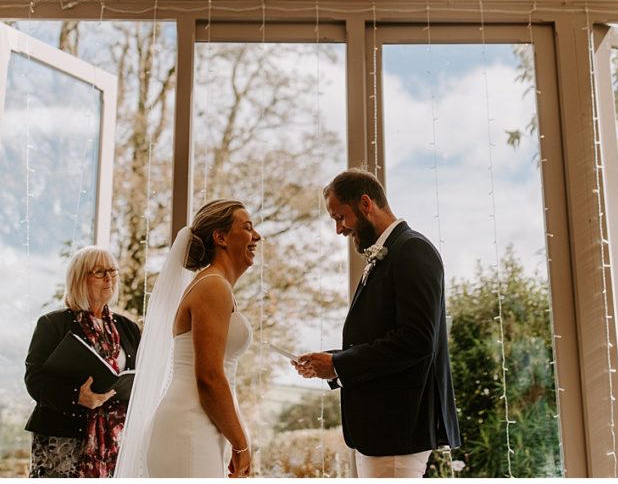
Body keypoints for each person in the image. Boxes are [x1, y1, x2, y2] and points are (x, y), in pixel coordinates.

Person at [295, 169, 461, 477]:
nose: (339, 230)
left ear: (366, 203)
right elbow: (383, 335)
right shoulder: (390, 253)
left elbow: (417, 339)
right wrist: (330, 362)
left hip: (398, 427)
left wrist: (340, 365)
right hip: (382, 431)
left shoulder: (412, 249)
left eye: (341, 217)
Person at [115, 199, 260, 478]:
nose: (257, 236)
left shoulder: (215, 285)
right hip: (189, 427)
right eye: (248, 227)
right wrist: (241, 444)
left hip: (199, 424)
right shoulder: (213, 286)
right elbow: (208, 376)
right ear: (221, 238)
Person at [24, 246, 140, 477]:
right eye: (99, 271)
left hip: (117, 440)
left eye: (112, 271)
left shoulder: (128, 328)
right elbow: (34, 380)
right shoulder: (52, 324)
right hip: (61, 441)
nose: (109, 278)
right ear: (79, 278)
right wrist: (77, 396)